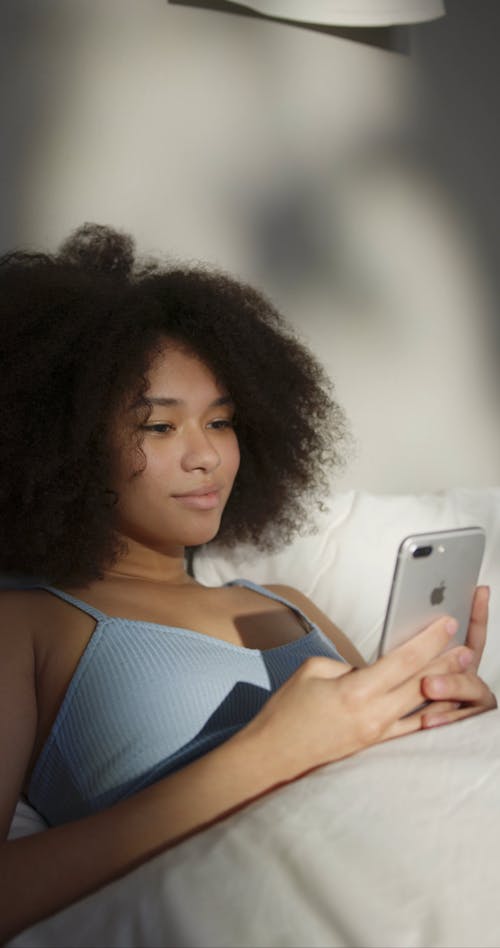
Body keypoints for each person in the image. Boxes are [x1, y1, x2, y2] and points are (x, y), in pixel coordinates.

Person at [0, 223, 495, 941]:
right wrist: (269, 754)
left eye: (222, 421)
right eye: (160, 427)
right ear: (64, 442)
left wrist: (443, 720)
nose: (206, 456)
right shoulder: (26, 628)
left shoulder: (287, 605)